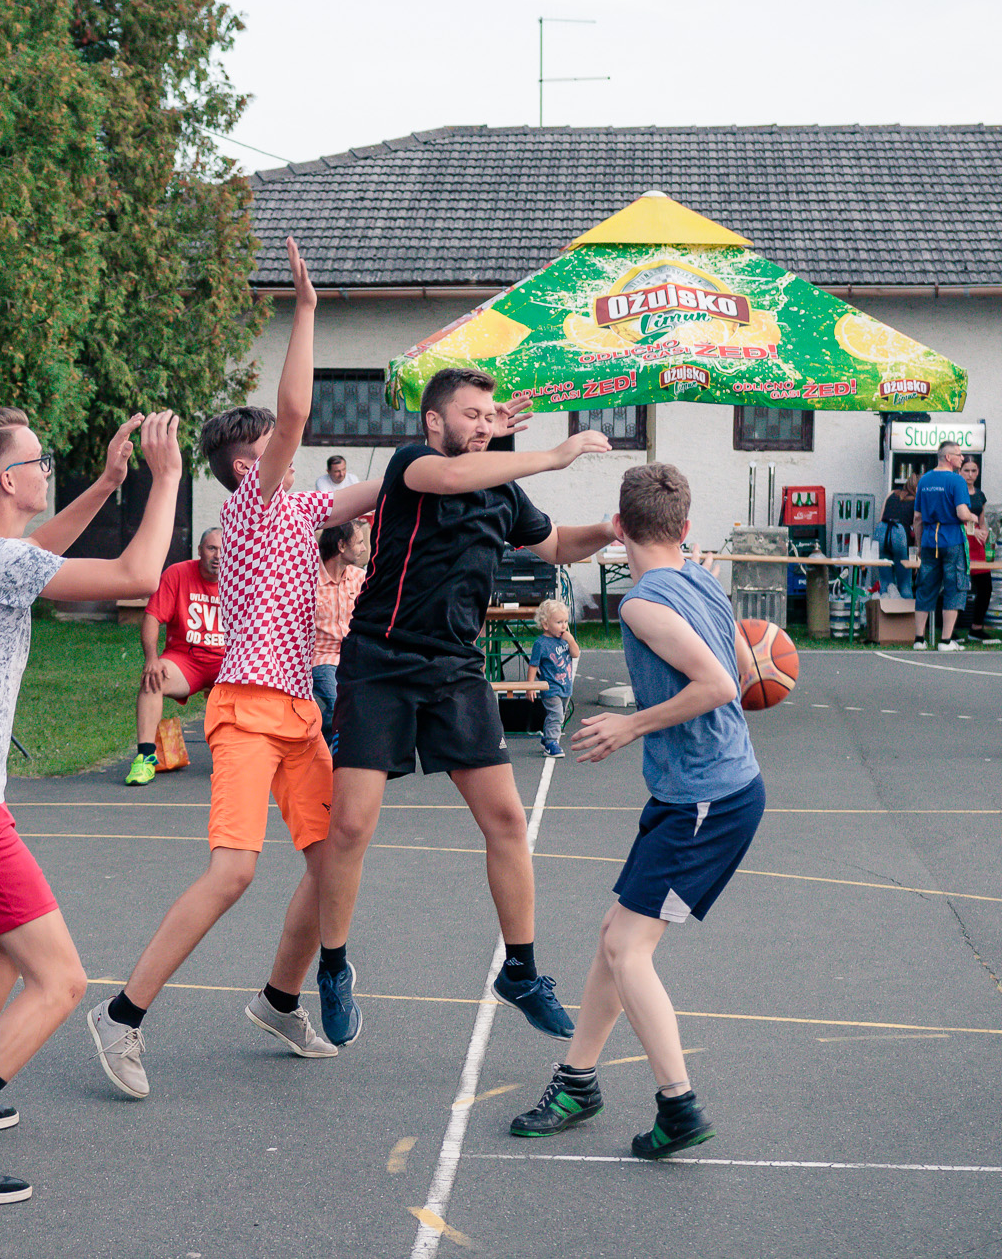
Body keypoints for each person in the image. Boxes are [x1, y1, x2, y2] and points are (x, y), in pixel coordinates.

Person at [87, 238, 384, 1097]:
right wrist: (308, 310)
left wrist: (481, 438)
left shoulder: (306, 508)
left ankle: (280, 998)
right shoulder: (255, 507)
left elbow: (396, 482)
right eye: (272, 446)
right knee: (235, 870)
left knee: (333, 861)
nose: (289, 447)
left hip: (298, 712)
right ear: (247, 467)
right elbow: (291, 416)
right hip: (247, 707)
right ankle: (122, 1015)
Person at [0, 407, 185, 1205]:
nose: (47, 467)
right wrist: (168, 481)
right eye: (39, 460)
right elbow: (134, 577)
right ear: (8, 480)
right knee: (60, 981)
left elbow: (36, 549)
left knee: (7, 949)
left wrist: (105, 484)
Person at [315, 366, 614, 1046]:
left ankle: (522, 970)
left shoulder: (501, 492)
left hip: (454, 668)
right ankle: (332, 967)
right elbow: (449, 478)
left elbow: (558, 544)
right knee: (352, 826)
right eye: (470, 414)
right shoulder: (412, 466)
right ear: (433, 421)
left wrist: (611, 528)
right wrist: (559, 453)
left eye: (489, 415)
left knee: (507, 817)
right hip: (381, 660)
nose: (482, 423)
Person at [506, 461, 759, 1161]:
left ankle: (678, 1104)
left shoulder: (644, 603)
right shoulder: (705, 579)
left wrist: (633, 724)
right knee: (614, 934)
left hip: (709, 798)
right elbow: (744, 671)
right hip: (698, 790)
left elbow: (716, 685)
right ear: (684, 528)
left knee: (626, 947)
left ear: (618, 529)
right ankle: (577, 1080)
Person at [124, 527, 224, 786]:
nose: (218, 555)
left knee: (255, 691)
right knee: (152, 680)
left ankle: (240, 759)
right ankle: (145, 758)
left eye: (224, 550)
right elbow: (153, 617)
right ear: (200, 550)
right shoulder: (177, 574)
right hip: (185, 660)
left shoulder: (242, 579)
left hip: (226, 662)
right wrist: (151, 659)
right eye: (212, 548)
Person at [911, 443, 976, 651]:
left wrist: (919, 545)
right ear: (948, 457)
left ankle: (919, 639)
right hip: (952, 539)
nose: (963, 458)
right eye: (959, 455)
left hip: (930, 540)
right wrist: (974, 517)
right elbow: (962, 513)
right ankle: (946, 641)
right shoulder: (957, 480)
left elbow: (917, 517)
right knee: (954, 588)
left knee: (925, 587)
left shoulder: (925, 480)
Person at [312, 520, 371, 732]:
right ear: (341, 546)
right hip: (321, 660)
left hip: (354, 658)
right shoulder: (308, 581)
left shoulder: (360, 578)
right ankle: (319, 753)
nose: (364, 548)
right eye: (359, 543)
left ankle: (322, 749)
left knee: (367, 706)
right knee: (340, 704)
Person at [530, 598, 580, 758]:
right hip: (550, 687)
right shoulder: (541, 643)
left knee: (559, 714)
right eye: (559, 622)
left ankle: (547, 738)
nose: (564, 626)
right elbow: (533, 665)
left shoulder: (564, 640)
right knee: (556, 714)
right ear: (546, 625)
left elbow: (575, 654)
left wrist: (571, 640)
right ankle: (551, 743)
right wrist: (530, 686)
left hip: (566, 685)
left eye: (565, 621)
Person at [960, 458, 992, 636]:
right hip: (961, 540)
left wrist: (986, 534)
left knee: (986, 587)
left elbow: (982, 521)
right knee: (958, 586)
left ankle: (977, 627)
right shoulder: (957, 492)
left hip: (978, 543)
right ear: (960, 471)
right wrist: (972, 532)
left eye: (973, 471)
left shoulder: (980, 495)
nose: (970, 474)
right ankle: (951, 628)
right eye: (966, 470)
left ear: (978, 472)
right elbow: (953, 520)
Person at [876, 476, 916, 600]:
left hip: (882, 529)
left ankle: (884, 617)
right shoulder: (918, 501)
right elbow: (916, 526)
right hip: (899, 533)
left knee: (885, 583)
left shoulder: (891, 494)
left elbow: (880, 518)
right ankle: (905, 618)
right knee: (904, 584)